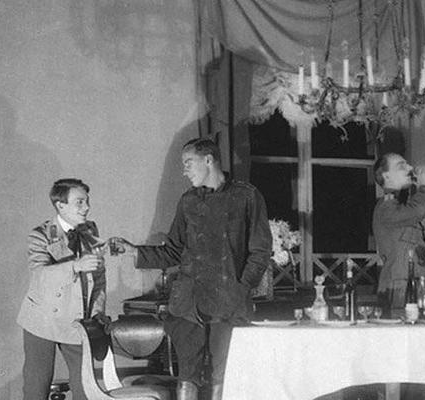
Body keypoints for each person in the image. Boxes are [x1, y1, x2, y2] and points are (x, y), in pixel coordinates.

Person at [111, 138, 272, 400]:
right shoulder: (188, 201)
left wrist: (241, 287)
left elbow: (260, 251)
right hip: (189, 304)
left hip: (228, 303)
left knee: (225, 373)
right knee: (187, 374)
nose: (184, 171)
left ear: (208, 160)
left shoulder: (247, 196)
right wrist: (134, 251)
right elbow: (173, 251)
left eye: (188, 163)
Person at [18, 178, 106, 400]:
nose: (86, 207)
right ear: (60, 205)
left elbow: (99, 279)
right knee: (36, 388)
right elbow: (40, 276)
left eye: (87, 201)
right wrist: (75, 266)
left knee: (86, 387)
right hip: (42, 320)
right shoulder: (41, 234)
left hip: (76, 320)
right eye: (79, 202)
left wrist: (97, 313)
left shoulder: (90, 231)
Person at [372, 153, 425, 312]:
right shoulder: (386, 207)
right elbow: (417, 210)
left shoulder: (401, 206)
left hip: (419, 291)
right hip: (399, 293)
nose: (409, 168)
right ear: (386, 176)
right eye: (401, 166)